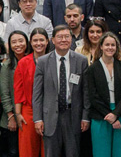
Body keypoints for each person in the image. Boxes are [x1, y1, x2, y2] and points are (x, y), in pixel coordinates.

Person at [34, 25, 90, 157]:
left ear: (71, 39)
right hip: (50, 117)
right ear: (52, 40)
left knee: (73, 153)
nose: (63, 40)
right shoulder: (43, 61)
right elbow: (37, 93)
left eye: (67, 37)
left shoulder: (81, 61)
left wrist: (85, 117)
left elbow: (86, 92)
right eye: (59, 37)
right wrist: (37, 119)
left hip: (73, 115)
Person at [85, 32, 121, 157]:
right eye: (107, 45)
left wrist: (115, 114)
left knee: (120, 153)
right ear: (100, 46)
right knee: (101, 153)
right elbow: (93, 96)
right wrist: (110, 116)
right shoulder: (92, 69)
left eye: (113, 45)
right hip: (101, 116)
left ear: (117, 47)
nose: (110, 48)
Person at [15, 28, 50, 157]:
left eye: (41, 40)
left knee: (48, 149)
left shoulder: (54, 60)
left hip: (50, 110)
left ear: (47, 41)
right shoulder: (23, 62)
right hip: (28, 111)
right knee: (28, 150)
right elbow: (18, 90)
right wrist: (18, 114)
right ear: (30, 42)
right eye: (35, 40)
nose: (38, 43)